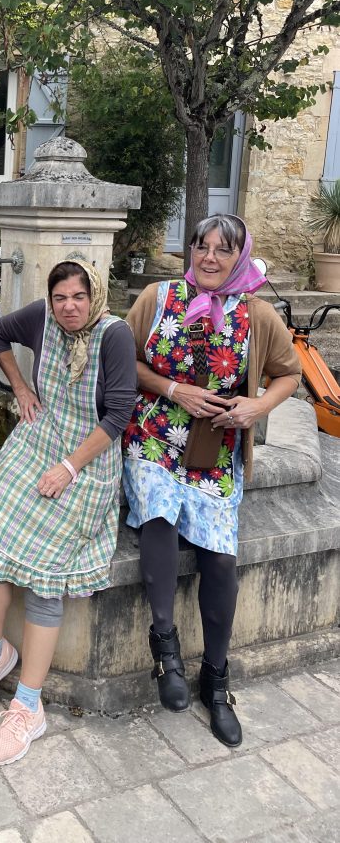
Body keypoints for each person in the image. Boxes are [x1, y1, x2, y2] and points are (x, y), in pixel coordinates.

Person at [122, 214, 301, 748]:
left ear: (239, 258)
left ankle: (216, 681)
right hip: (154, 436)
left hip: (214, 450)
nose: (209, 258)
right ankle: (166, 649)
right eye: (202, 246)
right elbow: (124, 362)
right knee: (157, 514)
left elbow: (289, 374)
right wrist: (173, 389)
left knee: (221, 558)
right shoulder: (157, 298)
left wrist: (256, 407)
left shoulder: (257, 314)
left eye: (223, 250)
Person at [0, 259, 136, 766]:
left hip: (88, 456)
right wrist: (19, 386)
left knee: (46, 575)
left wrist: (69, 467)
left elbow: (119, 415)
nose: (69, 307)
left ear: (93, 294)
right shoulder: (41, 317)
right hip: (40, 437)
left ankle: (28, 707)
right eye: (60, 298)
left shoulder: (114, 335)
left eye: (78, 297)